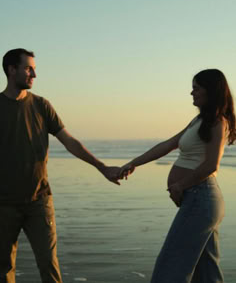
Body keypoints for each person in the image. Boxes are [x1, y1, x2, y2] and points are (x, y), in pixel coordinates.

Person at [0, 48, 121, 283]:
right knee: (4, 272)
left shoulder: (41, 106)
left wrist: (101, 166)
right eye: (28, 68)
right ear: (11, 70)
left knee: (49, 267)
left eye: (34, 68)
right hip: (3, 204)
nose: (34, 74)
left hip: (39, 200)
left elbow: (69, 141)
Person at [119, 69, 236, 283]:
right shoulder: (199, 121)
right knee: (207, 274)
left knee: (170, 267)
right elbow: (168, 145)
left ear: (211, 91)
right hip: (199, 200)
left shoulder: (217, 121)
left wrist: (181, 185)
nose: (192, 93)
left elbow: (211, 164)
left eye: (196, 88)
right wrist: (133, 163)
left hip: (201, 198)